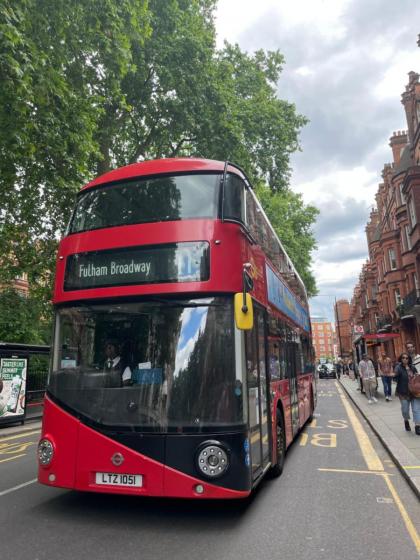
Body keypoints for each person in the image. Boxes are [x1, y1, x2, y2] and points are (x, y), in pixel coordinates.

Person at [393, 352, 420, 434]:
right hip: (403, 392)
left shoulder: (412, 367)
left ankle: (417, 426)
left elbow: (417, 377)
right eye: (403, 358)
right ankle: (406, 420)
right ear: (401, 359)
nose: (405, 359)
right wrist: (394, 375)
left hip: (414, 392)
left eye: (406, 358)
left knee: (416, 410)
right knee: (405, 410)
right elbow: (395, 376)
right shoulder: (398, 367)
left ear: (409, 359)